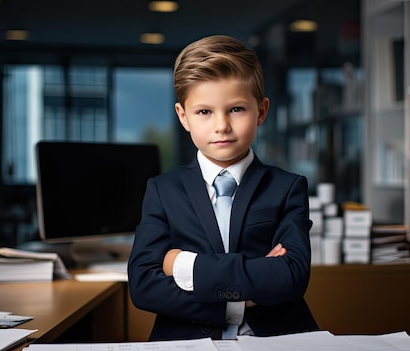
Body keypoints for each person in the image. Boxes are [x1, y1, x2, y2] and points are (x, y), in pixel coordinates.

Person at [127, 35, 319, 341]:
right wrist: (241, 298)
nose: (221, 126)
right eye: (204, 112)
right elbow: (143, 285)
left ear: (261, 111)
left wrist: (183, 263)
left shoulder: (287, 187)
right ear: (183, 116)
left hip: (275, 339)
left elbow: (291, 276)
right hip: (185, 340)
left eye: (236, 109)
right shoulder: (163, 190)